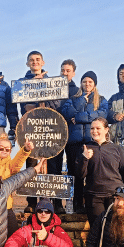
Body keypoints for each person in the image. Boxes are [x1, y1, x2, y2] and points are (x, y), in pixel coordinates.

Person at [18, 51, 61, 213]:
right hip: (30, 128)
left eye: (37, 60)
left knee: (53, 164)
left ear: (43, 62)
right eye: (31, 60)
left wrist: (43, 87)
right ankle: (31, 202)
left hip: (49, 127)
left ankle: (54, 203)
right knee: (31, 162)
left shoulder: (52, 82)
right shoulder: (22, 83)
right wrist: (32, 85)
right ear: (28, 64)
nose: (35, 62)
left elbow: (57, 105)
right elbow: (22, 104)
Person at [61, 71, 108, 213]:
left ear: (94, 84)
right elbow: (67, 113)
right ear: (81, 83)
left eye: (90, 82)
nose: (87, 84)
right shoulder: (73, 98)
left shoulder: (101, 100)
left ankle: (90, 203)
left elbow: (102, 115)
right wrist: (82, 100)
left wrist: (80, 117)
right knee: (75, 175)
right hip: (73, 143)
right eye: (84, 82)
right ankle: (76, 205)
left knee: (91, 173)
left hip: (91, 141)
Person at [76, 118, 124, 226]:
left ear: (106, 129)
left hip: (115, 196)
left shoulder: (117, 149)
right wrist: (85, 158)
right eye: (92, 128)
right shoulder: (85, 148)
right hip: (94, 196)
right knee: (97, 229)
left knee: (114, 229)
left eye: (98, 128)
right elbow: (80, 175)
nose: (94, 131)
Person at [44, 59, 81, 214]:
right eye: (62, 70)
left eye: (68, 71)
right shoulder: (52, 88)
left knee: (74, 168)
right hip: (54, 133)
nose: (64, 73)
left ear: (73, 73)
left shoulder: (78, 91)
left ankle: (75, 203)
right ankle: (57, 204)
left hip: (72, 134)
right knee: (55, 168)